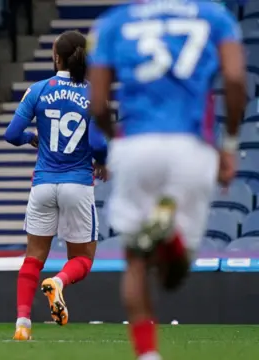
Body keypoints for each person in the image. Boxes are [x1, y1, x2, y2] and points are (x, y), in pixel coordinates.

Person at [87, 1, 245, 359]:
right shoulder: (215, 15)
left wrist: (118, 143)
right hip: (191, 145)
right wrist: (230, 145)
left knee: (135, 260)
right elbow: (235, 80)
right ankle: (169, 239)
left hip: (137, 144)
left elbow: (97, 103)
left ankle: (147, 355)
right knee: (175, 274)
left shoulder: (112, 22)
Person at [4, 30, 109, 341]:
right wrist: (101, 161)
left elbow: (11, 134)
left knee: (33, 257)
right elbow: (99, 143)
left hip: (43, 184)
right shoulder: (94, 94)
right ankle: (60, 282)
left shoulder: (37, 90)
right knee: (83, 260)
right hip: (77, 184)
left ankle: (22, 323)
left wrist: (30, 138)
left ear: (56, 57)